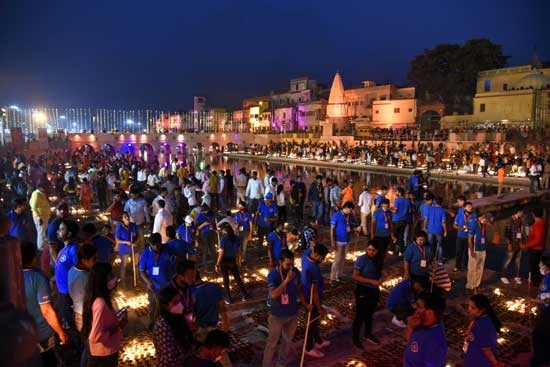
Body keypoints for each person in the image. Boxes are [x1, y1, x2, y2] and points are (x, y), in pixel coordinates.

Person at [21, 241, 68, 367]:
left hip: (20, 334)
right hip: (41, 335)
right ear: (34, 257)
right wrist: (61, 332)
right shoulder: (38, 278)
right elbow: (46, 310)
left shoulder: (10, 276)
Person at [263, 249, 311, 367]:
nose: (290, 267)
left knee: (287, 342)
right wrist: (286, 281)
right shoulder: (273, 274)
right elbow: (273, 294)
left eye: (292, 264)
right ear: (280, 262)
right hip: (277, 315)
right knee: (272, 344)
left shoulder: (296, 272)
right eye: (287, 264)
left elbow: (299, 289)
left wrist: (305, 303)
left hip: (292, 314)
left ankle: (281, 364)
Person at [82, 263, 126, 367]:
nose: (114, 278)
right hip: (103, 355)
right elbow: (95, 336)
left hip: (106, 351)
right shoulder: (100, 303)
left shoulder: (100, 298)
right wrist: (117, 328)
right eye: (110, 276)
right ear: (102, 280)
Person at [139, 232, 175, 329]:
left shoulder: (167, 249)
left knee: (167, 305)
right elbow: (142, 271)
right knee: (153, 304)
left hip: (167, 284)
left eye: (158, 244)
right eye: (154, 245)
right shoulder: (145, 254)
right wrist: (148, 282)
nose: (156, 247)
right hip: (153, 285)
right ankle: (151, 323)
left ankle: (167, 324)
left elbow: (175, 263)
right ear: (150, 243)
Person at [153, 286, 194, 367]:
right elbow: (169, 358)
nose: (179, 304)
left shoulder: (177, 317)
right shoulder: (163, 326)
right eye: (175, 303)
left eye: (179, 301)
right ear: (165, 306)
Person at [301, 243, 330, 358]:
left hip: (309, 293)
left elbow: (310, 247)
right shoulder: (313, 269)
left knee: (315, 321)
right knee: (311, 323)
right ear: (317, 255)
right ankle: (308, 348)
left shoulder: (306, 255)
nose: (323, 260)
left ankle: (318, 340)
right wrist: (319, 308)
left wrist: (313, 245)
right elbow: (314, 292)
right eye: (322, 258)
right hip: (311, 298)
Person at [403, 292, 447, 367]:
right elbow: (409, 341)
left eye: (419, 307)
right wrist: (410, 327)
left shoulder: (434, 343)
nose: (416, 310)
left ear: (430, 313)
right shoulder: (421, 322)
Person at [352, 241, 381, 350]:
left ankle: (368, 334)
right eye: (369, 249)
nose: (371, 252)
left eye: (373, 250)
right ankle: (355, 338)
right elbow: (355, 276)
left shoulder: (377, 259)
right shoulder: (361, 259)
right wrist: (371, 281)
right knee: (360, 315)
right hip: (362, 290)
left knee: (369, 314)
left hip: (374, 291)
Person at [463, 294, 504, 367]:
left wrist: (496, 363)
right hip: (472, 354)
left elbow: (486, 349)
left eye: (473, 308)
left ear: (482, 310)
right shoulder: (479, 318)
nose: (469, 309)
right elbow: (471, 328)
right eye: (469, 306)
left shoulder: (483, 326)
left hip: (479, 359)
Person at [55, 219, 80, 329]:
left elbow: (79, 270)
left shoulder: (74, 249)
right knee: (69, 321)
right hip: (62, 291)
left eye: (61, 229)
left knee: (73, 324)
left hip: (69, 294)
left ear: (69, 234)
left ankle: (80, 345)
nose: (57, 231)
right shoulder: (65, 248)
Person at [215, 223, 248, 304]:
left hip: (224, 261)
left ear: (225, 231)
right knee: (237, 278)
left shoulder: (224, 239)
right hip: (232, 260)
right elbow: (239, 251)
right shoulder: (237, 238)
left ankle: (228, 299)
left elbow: (221, 253)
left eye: (222, 230)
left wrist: (217, 264)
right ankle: (244, 295)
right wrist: (239, 261)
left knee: (226, 280)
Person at [68, 244, 97, 332]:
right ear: (84, 261)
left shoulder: (71, 270)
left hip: (77, 312)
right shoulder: (87, 277)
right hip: (87, 314)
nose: (96, 261)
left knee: (85, 338)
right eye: (94, 259)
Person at [330, 201, 359, 284]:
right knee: (337, 259)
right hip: (338, 241)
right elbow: (332, 229)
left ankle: (339, 275)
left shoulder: (348, 216)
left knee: (343, 259)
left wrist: (356, 229)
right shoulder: (336, 215)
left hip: (347, 240)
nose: (351, 211)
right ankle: (332, 278)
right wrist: (332, 241)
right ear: (346, 208)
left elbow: (349, 227)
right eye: (350, 209)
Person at [466, 213, 492, 293]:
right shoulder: (474, 223)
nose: (487, 223)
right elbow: (470, 239)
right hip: (475, 249)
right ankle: (470, 287)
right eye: (486, 221)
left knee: (480, 268)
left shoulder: (482, 223)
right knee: (472, 269)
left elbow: (489, 225)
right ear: (483, 217)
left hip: (482, 249)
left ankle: (476, 285)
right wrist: (472, 251)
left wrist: (487, 223)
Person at [532, 256, 550, 366]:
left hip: (547, 313)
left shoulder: (548, 279)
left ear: (546, 266)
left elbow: (548, 300)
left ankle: (541, 359)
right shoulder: (546, 277)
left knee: (539, 335)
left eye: (540, 264)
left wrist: (534, 300)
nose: (539, 266)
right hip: (545, 311)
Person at [524, 207, 548, 289]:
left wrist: (526, 245)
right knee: (535, 267)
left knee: (534, 267)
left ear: (533, 214)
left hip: (535, 249)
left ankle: (536, 284)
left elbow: (538, 239)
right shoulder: (542, 223)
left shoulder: (538, 224)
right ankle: (535, 282)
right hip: (538, 248)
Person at [29, 182, 51, 269]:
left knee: (43, 232)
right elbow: (33, 207)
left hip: (44, 216)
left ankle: (43, 246)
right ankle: (41, 248)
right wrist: (38, 217)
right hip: (41, 217)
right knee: (41, 232)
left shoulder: (40, 194)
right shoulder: (36, 194)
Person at [501, 206, 524, 285]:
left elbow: (520, 232)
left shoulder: (520, 220)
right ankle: (503, 276)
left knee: (518, 261)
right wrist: (509, 244)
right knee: (508, 261)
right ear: (518, 212)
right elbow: (506, 234)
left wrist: (521, 242)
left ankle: (516, 276)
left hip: (518, 244)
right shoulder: (509, 220)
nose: (522, 214)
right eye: (522, 212)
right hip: (512, 243)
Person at [115, 212, 138, 282]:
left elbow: (137, 236)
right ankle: (123, 280)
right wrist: (126, 242)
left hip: (133, 248)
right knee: (124, 265)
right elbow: (117, 240)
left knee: (136, 263)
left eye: (127, 216)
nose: (127, 218)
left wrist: (135, 242)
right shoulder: (119, 227)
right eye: (125, 217)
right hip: (124, 249)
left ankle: (136, 279)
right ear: (122, 219)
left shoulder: (133, 225)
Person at [423, 196, 447, 263]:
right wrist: (445, 231)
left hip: (430, 229)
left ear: (434, 202)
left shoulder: (429, 209)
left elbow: (426, 219)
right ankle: (440, 260)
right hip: (439, 230)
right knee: (439, 245)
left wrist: (424, 227)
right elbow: (443, 222)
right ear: (441, 203)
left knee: (430, 245)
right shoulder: (442, 210)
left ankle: (429, 259)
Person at [453, 200, 475, 272]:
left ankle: (465, 266)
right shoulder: (459, 215)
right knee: (458, 252)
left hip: (470, 237)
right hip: (460, 237)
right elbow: (454, 225)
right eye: (469, 207)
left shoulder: (474, 215)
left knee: (467, 253)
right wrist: (460, 228)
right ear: (464, 208)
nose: (471, 208)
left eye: (471, 206)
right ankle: (457, 266)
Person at [371, 198, 393, 268]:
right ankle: (376, 262)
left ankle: (381, 262)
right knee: (378, 250)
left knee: (384, 250)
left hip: (387, 234)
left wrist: (392, 233)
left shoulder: (389, 212)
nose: (385, 208)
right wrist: (372, 233)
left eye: (386, 206)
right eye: (384, 206)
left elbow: (390, 223)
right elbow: (373, 223)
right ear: (381, 205)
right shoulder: (377, 212)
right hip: (378, 234)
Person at [391, 187, 410, 256]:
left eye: (396, 192)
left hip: (396, 220)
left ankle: (394, 250)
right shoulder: (407, 201)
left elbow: (395, 211)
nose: (396, 193)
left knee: (394, 236)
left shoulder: (397, 200)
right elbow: (409, 211)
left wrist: (389, 209)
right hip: (404, 220)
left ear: (399, 192)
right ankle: (401, 251)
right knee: (401, 236)